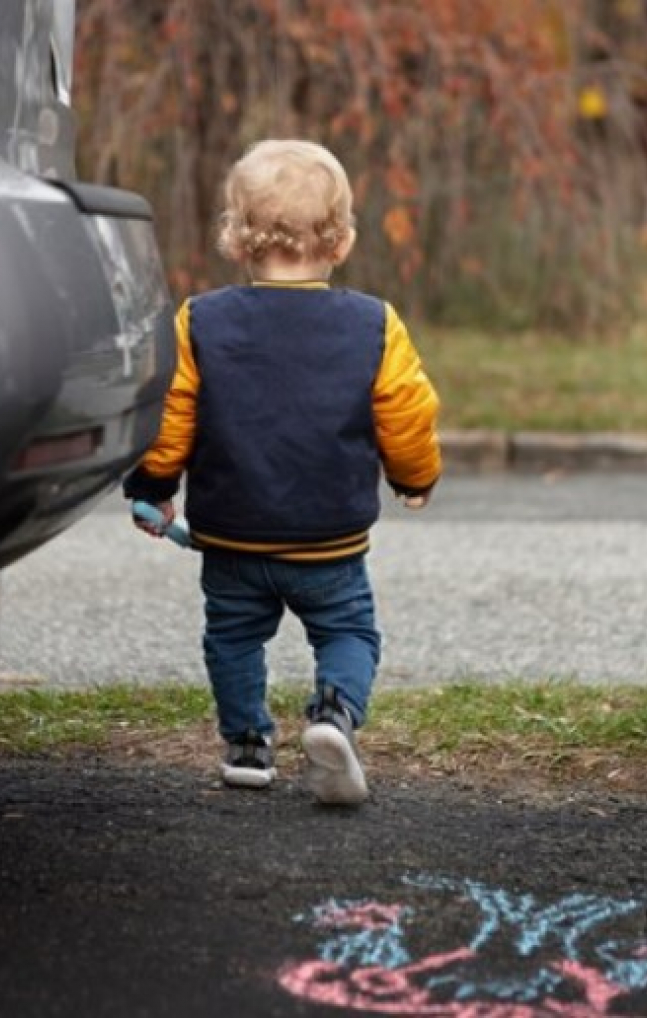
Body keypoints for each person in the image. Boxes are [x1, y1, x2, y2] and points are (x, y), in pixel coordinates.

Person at [124, 139, 442, 805]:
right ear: (342, 240)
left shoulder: (200, 321)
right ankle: (334, 716)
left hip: (233, 536)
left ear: (236, 237)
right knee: (349, 631)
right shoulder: (373, 324)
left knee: (233, 637)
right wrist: (414, 480)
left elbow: (172, 414)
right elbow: (406, 413)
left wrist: (153, 489)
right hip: (329, 537)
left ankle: (246, 745)